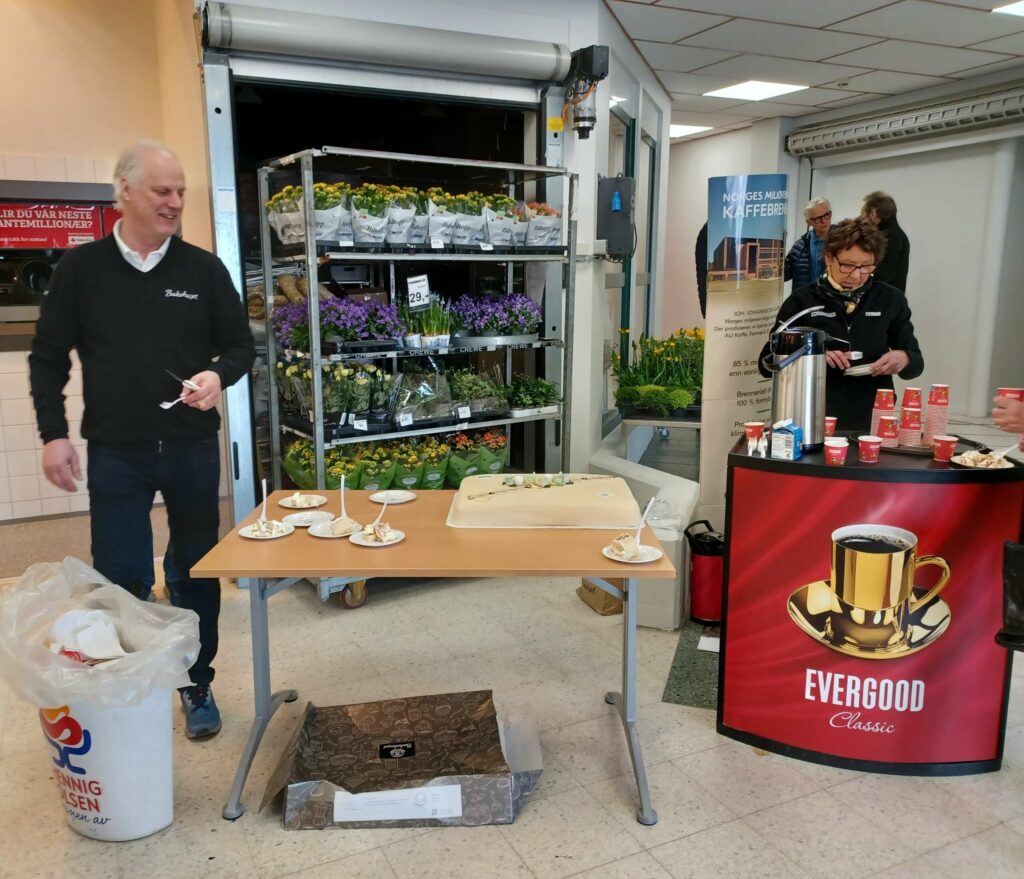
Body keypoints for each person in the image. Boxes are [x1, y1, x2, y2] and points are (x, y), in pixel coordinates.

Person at [29, 141, 255, 738]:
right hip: (116, 453)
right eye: (162, 190)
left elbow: (239, 347)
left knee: (194, 569)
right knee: (121, 573)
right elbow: (48, 357)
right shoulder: (80, 270)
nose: (175, 202)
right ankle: (128, 684)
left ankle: (195, 679)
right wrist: (54, 435)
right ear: (124, 190)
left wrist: (217, 376)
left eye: (180, 191)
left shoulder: (202, 270)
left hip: (188, 446)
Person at [758, 218, 923, 432]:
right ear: (828, 257)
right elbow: (765, 363)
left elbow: (916, 364)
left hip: (872, 415)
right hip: (813, 413)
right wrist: (812, 356)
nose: (856, 275)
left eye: (866, 267)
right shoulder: (803, 300)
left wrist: (904, 358)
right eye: (847, 265)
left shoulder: (890, 299)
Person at [861, 191, 910, 292]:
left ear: (873, 213)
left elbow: (883, 275)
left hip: (882, 301)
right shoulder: (898, 236)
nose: (863, 220)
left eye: (863, 215)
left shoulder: (888, 237)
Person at [784, 197, 832, 290]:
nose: (824, 221)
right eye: (818, 219)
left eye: (826, 215)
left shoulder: (843, 240)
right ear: (808, 222)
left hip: (833, 299)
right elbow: (784, 275)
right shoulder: (799, 246)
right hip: (806, 300)